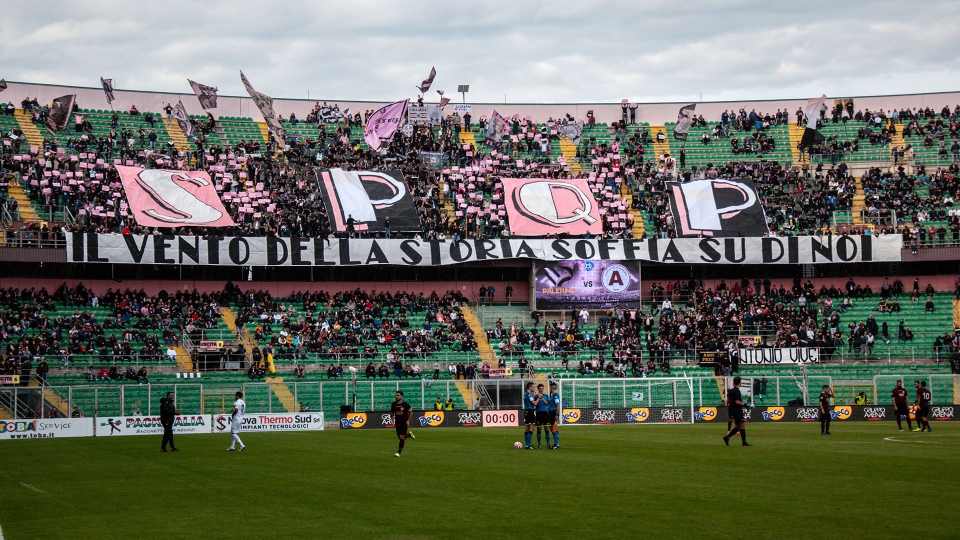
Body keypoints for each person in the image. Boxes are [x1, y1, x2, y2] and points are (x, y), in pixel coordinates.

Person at [723, 376, 750, 446]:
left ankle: (727, 437)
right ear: (740, 382)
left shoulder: (732, 390)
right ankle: (743, 442)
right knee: (741, 425)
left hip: (733, 409)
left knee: (739, 426)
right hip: (737, 410)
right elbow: (737, 401)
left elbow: (729, 400)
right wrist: (745, 404)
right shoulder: (737, 391)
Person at [391, 391, 415, 457]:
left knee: (401, 437)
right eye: (396, 395)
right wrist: (392, 419)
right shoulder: (393, 404)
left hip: (404, 423)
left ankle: (398, 453)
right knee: (401, 437)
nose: (396, 397)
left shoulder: (406, 405)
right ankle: (409, 435)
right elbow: (392, 412)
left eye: (398, 395)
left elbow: (411, 412)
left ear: (402, 396)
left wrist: (408, 421)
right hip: (397, 423)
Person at [522, 381, 539, 449]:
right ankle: (529, 445)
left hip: (526, 411)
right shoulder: (529, 395)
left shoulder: (525, 394)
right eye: (533, 387)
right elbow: (534, 403)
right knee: (532, 427)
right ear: (529, 387)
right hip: (530, 411)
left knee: (527, 428)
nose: (534, 388)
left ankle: (527, 444)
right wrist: (538, 398)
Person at [534, 383, 550, 448]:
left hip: (545, 413)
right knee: (539, 429)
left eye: (542, 389)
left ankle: (548, 444)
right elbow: (535, 404)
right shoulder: (535, 396)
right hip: (538, 413)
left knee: (546, 429)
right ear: (538, 389)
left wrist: (542, 398)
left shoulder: (546, 396)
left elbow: (547, 403)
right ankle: (539, 444)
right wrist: (538, 398)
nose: (541, 390)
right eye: (540, 389)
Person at [547, 382, 561, 449]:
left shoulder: (556, 395)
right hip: (551, 413)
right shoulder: (552, 395)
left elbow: (558, 405)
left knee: (554, 428)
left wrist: (556, 414)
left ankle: (556, 444)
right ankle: (556, 443)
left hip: (553, 413)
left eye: (550, 387)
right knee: (552, 428)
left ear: (552, 388)